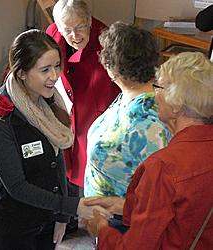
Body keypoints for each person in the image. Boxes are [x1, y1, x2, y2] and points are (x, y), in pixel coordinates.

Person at [0, 29, 110, 250]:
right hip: (14, 231)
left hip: (48, 223)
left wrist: (61, 217)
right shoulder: (0, 118)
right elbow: (17, 187)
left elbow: (58, 162)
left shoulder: (48, 103)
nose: (54, 76)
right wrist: (72, 206)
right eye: (45, 70)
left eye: (56, 66)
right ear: (22, 73)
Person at [84, 52, 213, 250]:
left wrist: (101, 231)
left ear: (177, 104)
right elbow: (185, 211)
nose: (155, 94)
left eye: (159, 87)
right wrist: (123, 205)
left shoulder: (163, 166)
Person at [84, 22, 171, 198]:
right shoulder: (130, 95)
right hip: (103, 216)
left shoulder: (148, 122)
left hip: (121, 220)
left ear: (113, 67)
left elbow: (156, 192)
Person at [46, 0, 120, 193]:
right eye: (67, 30)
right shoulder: (52, 34)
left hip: (95, 114)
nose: (75, 36)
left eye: (80, 27)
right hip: (65, 112)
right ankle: (68, 215)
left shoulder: (107, 40)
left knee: (90, 167)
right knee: (64, 163)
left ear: (89, 21)